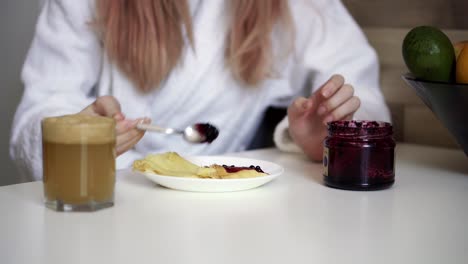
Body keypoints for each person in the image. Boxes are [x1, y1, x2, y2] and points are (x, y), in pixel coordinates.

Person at [10, 0, 390, 181]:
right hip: (113, 193)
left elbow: (365, 100)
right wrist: (76, 135)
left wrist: (319, 138)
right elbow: (40, 111)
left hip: (231, 210)